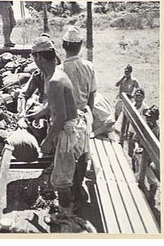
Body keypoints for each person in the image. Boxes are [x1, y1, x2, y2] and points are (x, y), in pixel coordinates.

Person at [27, 37, 89, 214]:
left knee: (61, 180)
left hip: (67, 132)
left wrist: (47, 141)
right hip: (70, 127)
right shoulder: (55, 75)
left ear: (39, 57)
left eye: (34, 58)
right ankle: (71, 205)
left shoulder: (54, 80)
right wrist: (36, 114)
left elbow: (60, 117)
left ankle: (65, 214)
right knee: (66, 172)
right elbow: (52, 106)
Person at [59, 26, 97, 206]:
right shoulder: (89, 67)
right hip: (83, 115)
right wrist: (89, 118)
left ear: (64, 45)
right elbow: (92, 95)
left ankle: (69, 192)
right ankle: (77, 186)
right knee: (82, 154)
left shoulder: (60, 70)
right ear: (80, 45)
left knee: (66, 155)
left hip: (67, 119)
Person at [128, 88, 149, 170]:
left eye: (140, 96)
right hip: (131, 131)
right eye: (136, 96)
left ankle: (138, 172)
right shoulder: (132, 106)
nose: (138, 98)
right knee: (130, 153)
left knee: (138, 154)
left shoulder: (145, 109)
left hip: (140, 133)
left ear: (143, 97)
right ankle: (134, 169)